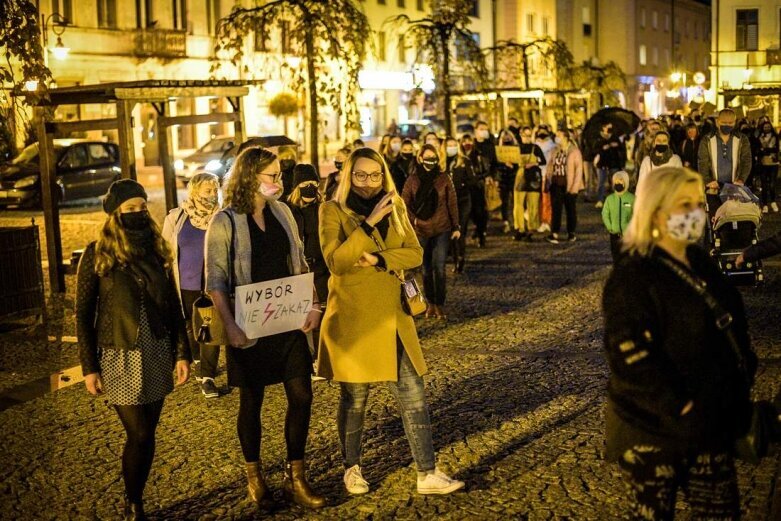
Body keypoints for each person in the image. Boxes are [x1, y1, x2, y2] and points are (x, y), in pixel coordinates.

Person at [603, 166, 756, 520]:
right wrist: (680, 405)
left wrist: (739, 378)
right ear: (656, 212)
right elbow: (628, 353)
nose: (696, 212)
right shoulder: (634, 273)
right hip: (654, 431)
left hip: (711, 423)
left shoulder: (703, 264)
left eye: (698, 203)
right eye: (683, 203)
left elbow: (734, 321)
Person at [317, 146, 465, 496]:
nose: (369, 182)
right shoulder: (332, 210)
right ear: (348, 175)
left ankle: (427, 472)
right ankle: (351, 468)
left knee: (414, 393)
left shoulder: (396, 206)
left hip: (394, 317)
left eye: (375, 175)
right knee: (355, 397)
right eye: (361, 175)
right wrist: (367, 226)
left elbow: (414, 252)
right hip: (354, 318)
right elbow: (335, 262)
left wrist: (379, 259)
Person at [205, 146, 325, 510]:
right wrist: (231, 326)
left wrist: (314, 304)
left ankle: (296, 477)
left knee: (302, 394)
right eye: (272, 176)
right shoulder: (224, 221)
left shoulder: (283, 212)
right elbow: (216, 280)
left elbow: (300, 262)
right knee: (251, 401)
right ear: (250, 177)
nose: (278, 182)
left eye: (279, 176)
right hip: (249, 324)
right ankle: (255, 478)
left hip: (287, 319)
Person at [76, 179, 191, 520]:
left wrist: (183, 352)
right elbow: (83, 315)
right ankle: (135, 503)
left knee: (148, 433)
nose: (139, 213)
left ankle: (134, 497)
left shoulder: (157, 251)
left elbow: (172, 306)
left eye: (143, 207)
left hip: (156, 349)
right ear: (115, 214)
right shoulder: (97, 253)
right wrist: (89, 367)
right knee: (138, 432)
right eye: (131, 209)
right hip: (117, 354)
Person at [162, 172, 222, 399]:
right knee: (189, 326)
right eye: (208, 190)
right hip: (185, 283)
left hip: (212, 284)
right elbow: (165, 251)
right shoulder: (177, 218)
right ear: (195, 191)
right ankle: (197, 360)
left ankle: (207, 376)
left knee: (210, 327)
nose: (213, 194)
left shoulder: (222, 217)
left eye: (215, 190)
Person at [402, 144, 460, 319]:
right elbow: (404, 203)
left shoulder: (444, 178)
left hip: (442, 228)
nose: (430, 161)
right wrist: (414, 221)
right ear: (420, 158)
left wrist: (456, 226)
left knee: (439, 267)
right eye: (427, 157)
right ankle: (430, 304)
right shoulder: (412, 180)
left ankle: (440, 304)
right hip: (420, 230)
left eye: (433, 158)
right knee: (426, 269)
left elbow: (452, 203)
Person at [286, 163, 330, 366]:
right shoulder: (287, 211)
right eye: (305, 183)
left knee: (321, 310)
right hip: (299, 270)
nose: (310, 187)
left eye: (313, 182)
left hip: (322, 268)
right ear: (296, 186)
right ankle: (303, 356)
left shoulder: (324, 209)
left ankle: (319, 358)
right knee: (300, 315)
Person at [443, 137, 477, 273]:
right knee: (449, 230)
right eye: (448, 145)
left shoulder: (464, 161)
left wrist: (462, 184)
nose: (451, 147)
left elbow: (473, 180)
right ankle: (453, 254)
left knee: (459, 230)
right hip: (446, 202)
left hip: (462, 200)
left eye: (454, 145)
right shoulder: (441, 163)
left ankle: (460, 259)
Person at [697, 108, 752, 190]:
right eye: (724, 122)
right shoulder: (707, 140)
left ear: (735, 122)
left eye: (730, 123)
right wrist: (708, 180)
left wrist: (741, 179)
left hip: (735, 186)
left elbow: (746, 161)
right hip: (713, 186)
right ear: (717, 121)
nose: (727, 125)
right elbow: (702, 162)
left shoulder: (742, 139)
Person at [545, 129, 584, 244]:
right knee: (556, 209)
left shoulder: (574, 151)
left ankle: (571, 232)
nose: (556, 138)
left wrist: (574, 187)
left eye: (559, 135)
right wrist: (548, 180)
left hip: (569, 184)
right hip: (556, 183)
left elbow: (578, 171)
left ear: (566, 137)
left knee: (570, 209)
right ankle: (554, 232)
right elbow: (550, 165)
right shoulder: (554, 150)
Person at [514, 127, 546, 241]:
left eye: (529, 135)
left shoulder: (535, 148)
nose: (527, 138)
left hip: (533, 178)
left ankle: (531, 229)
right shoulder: (516, 148)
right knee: (518, 204)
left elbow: (543, 160)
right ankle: (520, 228)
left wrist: (533, 163)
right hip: (520, 177)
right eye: (525, 135)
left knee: (533, 204)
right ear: (520, 135)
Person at [462, 132, 491, 247]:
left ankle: (481, 235)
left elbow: (485, 170)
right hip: (464, 189)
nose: (467, 144)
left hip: (477, 188)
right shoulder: (460, 157)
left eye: (469, 141)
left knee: (479, 213)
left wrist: (478, 178)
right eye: (464, 141)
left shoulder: (478, 156)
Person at [601, 171, 635, 264]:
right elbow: (605, 214)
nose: (618, 184)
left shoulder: (632, 199)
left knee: (627, 255)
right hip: (614, 233)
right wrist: (610, 226)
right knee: (615, 255)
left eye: (620, 181)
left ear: (626, 182)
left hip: (628, 234)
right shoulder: (610, 199)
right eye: (616, 182)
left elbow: (635, 214)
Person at [636, 131, 683, 198]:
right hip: (652, 199)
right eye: (658, 140)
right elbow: (641, 183)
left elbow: (680, 181)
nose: (661, 143)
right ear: (654, 143)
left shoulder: (675, 159)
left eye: (664, 140)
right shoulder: (647, 161)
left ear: (668, 143)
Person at [593, 123, 626, 209]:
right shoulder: (599, 138)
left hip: (613, 163)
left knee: (615, 182)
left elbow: (621, 148)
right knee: (601, 182)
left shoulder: (615, 137)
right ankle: (600, 199)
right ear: (603, 128)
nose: (608, 128)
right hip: (602, 163)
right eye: (606, 126)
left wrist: (617, 145)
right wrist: (603, 148)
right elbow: (595, 149)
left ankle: (616, 199)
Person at [496, 129, 520, 234]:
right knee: (504, 201)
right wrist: (503, 164)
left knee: (516, 201)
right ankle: (506, 222)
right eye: (504, 137)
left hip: (514, 177)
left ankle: (516, 222)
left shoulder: (516, 148)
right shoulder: (498, 150)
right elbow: (495, 165)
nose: (506, 139)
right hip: (503, 178)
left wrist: (513, 165)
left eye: (508, 137)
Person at [535, 126, 556, 234]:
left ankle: (546, 221)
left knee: (546, 201)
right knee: (537, 201)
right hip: (536, 175)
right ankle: (539, 220)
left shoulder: (552, 146)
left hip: (546, 175)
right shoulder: (534, 146)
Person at [757, 121, 779, 213]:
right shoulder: (759, 137)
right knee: (764, 185)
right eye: (765, 127)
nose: (767, 128)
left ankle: (773, 202)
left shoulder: (775, 137)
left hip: (773, 164)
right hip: (763, 164)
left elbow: (776, 149)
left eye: (768, 127)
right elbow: (758, 150)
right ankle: (765, 204)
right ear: (763, 128)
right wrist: (767, 151)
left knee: (772, 184)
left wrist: (765, 150)